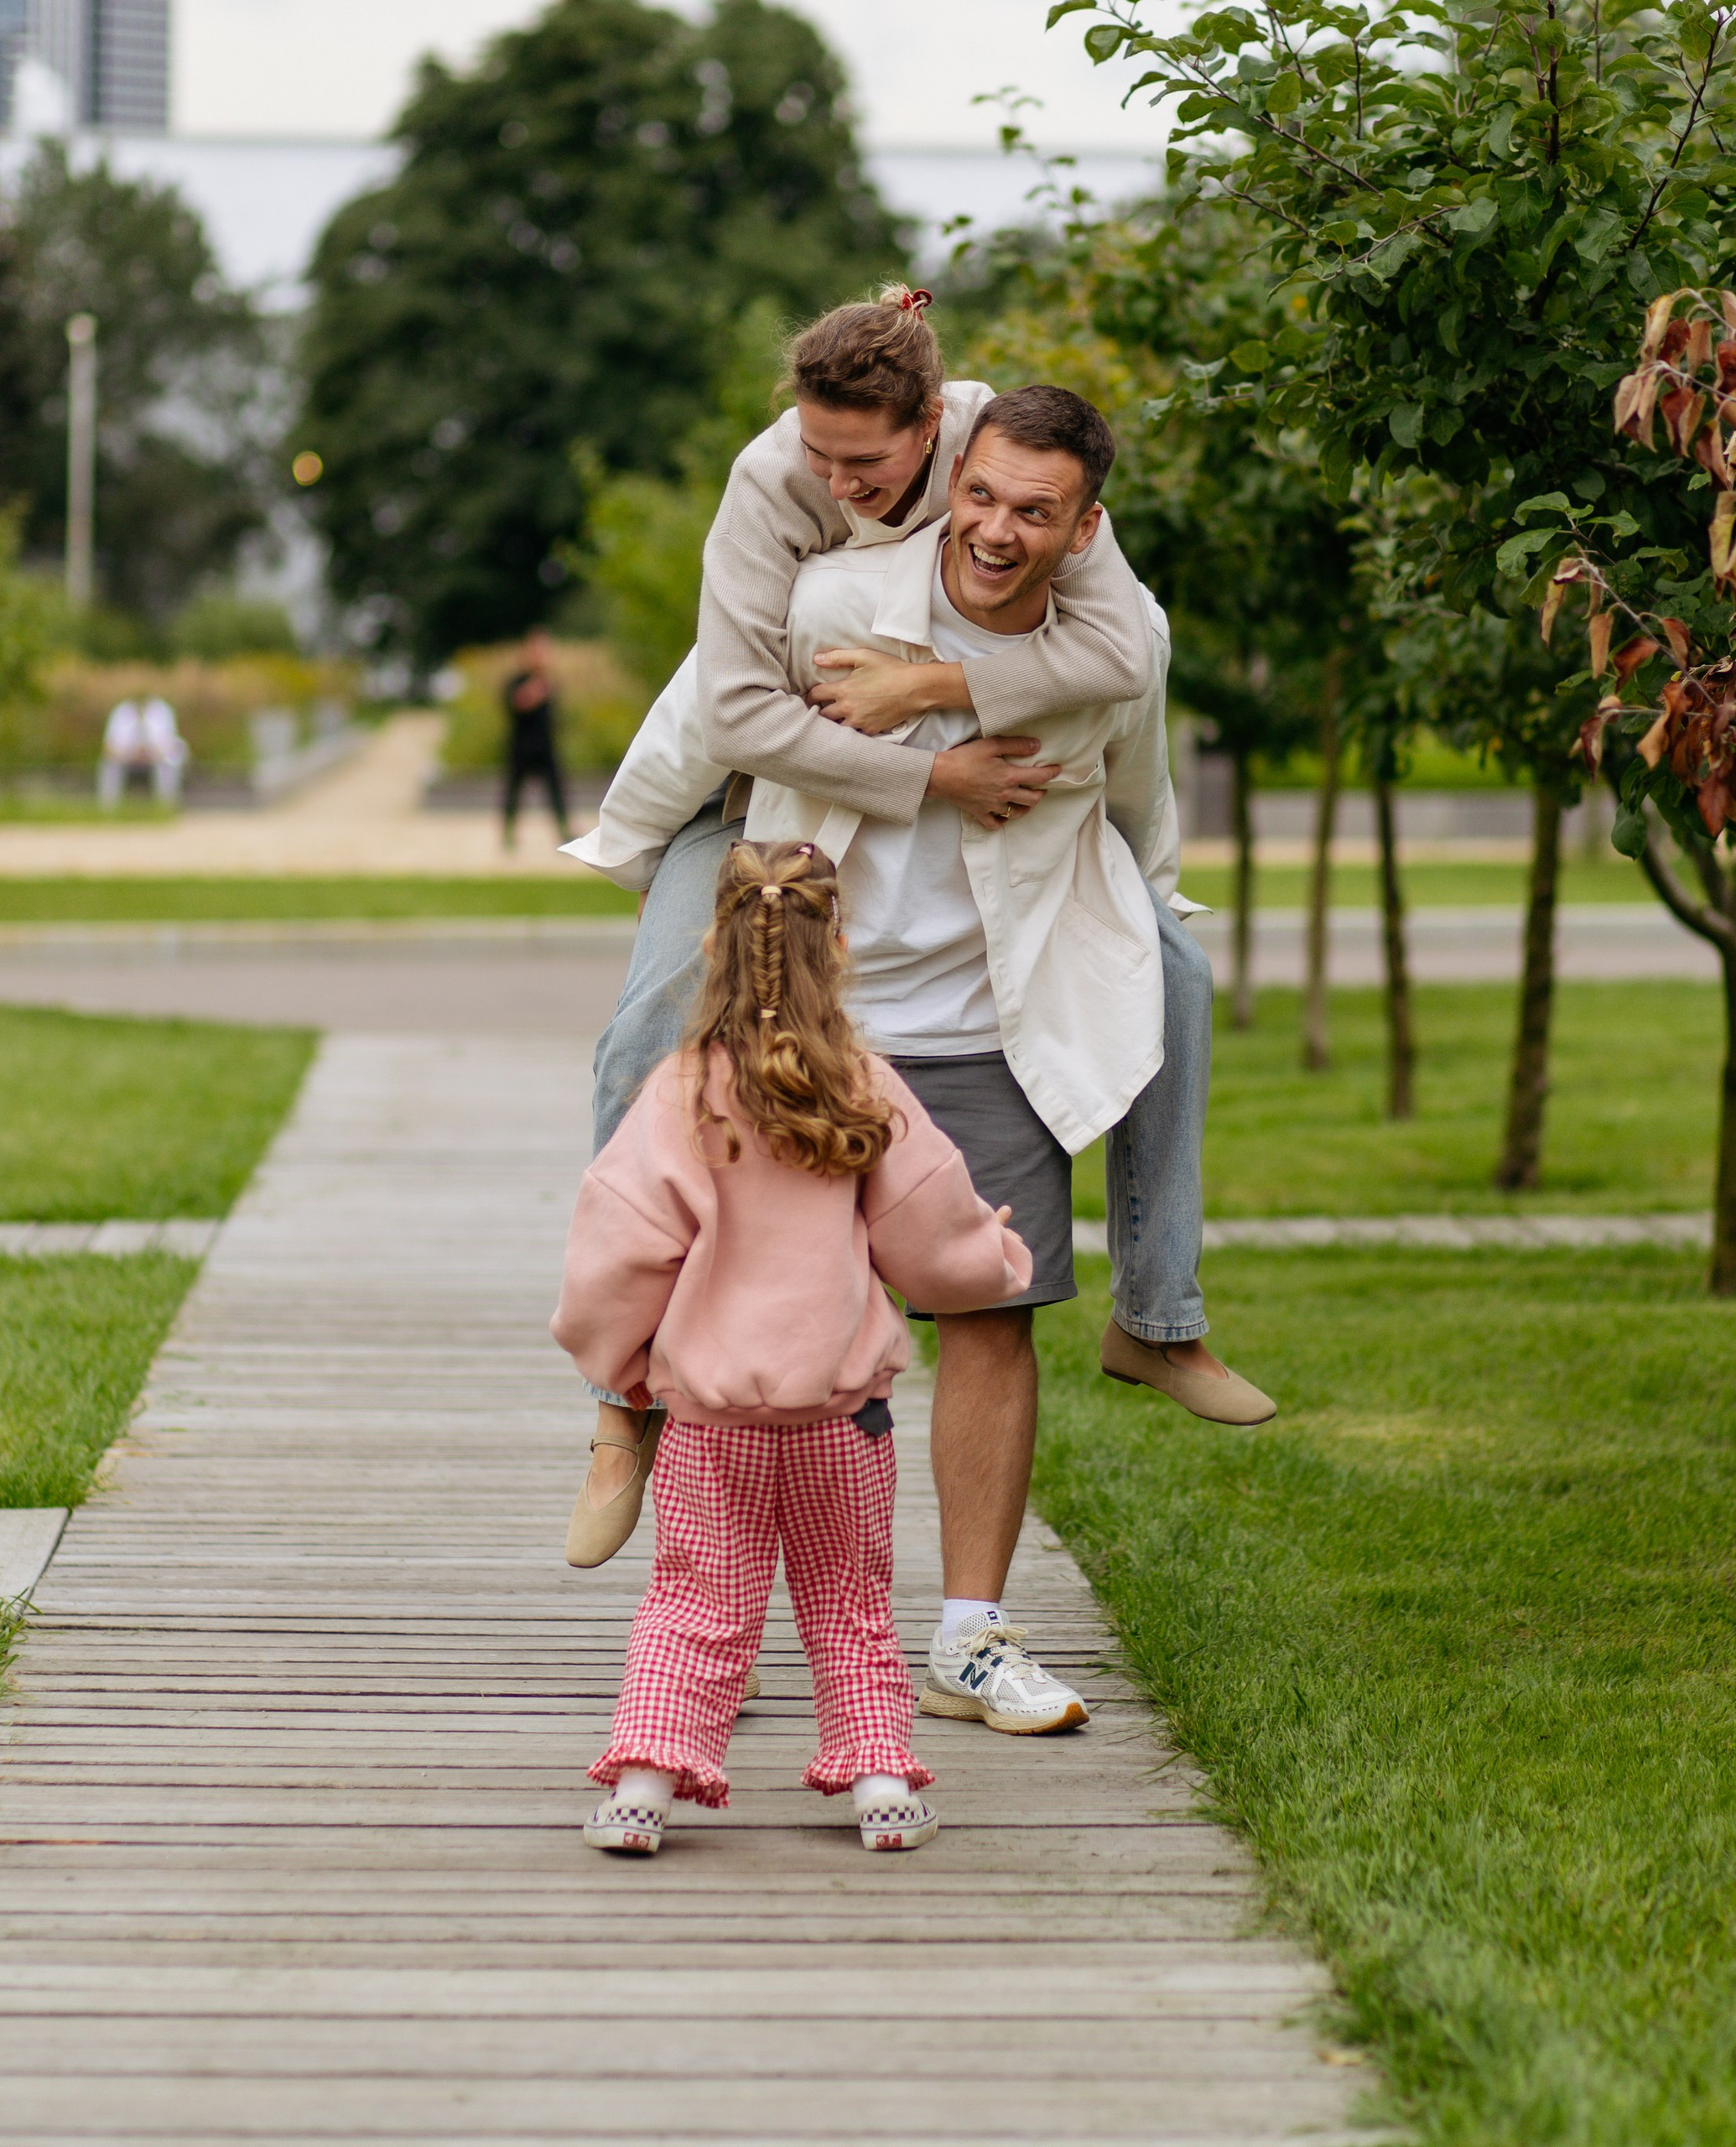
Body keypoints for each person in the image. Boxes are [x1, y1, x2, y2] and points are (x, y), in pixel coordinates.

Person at [562, 297, 1271, 1587]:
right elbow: (738, 716)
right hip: (745, 792)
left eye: (866, 465)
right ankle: (627, 1392)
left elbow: (1121, 650)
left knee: (1174, 971)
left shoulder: (1009, 458)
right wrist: (938, 775)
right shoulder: (772, 484)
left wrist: (936, 692)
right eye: (820, 455)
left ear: (934, 429)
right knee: (640, 1039)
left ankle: (1159, 1317)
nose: (837, 482)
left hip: (900, 741)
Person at [552, 840, 1031, 1855]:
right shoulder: (862, 1087)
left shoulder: (680, 1095)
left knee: (694, 1601)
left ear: (711, 949)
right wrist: (994, 1255)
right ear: (840, 949)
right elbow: (931, 1237)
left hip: (710, 1423)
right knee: (849, 1603)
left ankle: (641, 1787)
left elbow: (618, 1252)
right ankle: (881, 1784)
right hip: (841, 1419)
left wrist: (622, 1363)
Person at [501, 628, 573, 847]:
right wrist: (535, 691)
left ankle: (564, 830)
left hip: (545, 745)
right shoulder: (518, 681)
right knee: (514, 791)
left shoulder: (550, 681)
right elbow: (515, 704)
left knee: (556, 790)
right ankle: (508, 834)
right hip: (522, 745)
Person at [98, 694, 187, 808]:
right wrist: (127, 754)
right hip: (126, 756)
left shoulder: (163, 710)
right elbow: (109, 746)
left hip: (156, 756)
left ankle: (166, 805)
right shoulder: (121, 711)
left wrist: (152, 753)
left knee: (169, 763)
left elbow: (169, 743)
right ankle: (108, 807)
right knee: (109, 765)